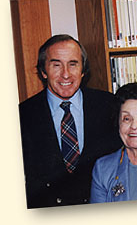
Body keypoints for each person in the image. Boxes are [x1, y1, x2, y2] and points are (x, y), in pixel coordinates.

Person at [19, 34, 123, 208]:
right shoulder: (22, 115)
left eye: (73, 64)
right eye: (56, 65)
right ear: (43, 71)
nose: (65, 74)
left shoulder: (110, 105)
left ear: (83, 70)